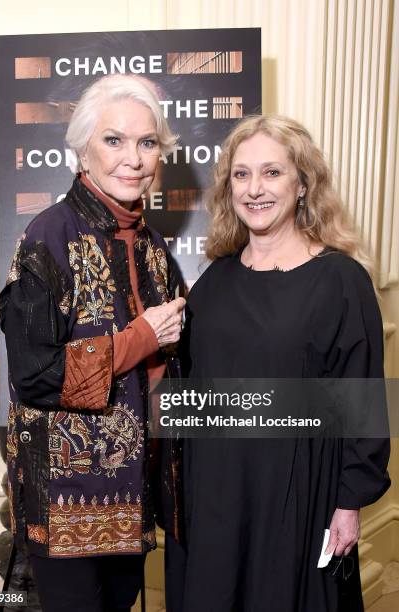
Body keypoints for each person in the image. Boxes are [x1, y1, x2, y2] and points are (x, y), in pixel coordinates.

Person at [177, 115, 390, 611]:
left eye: (272, 173)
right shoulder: (215, 281)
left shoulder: (340, 281)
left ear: (302, 184)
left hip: (299, 493)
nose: (255, 189)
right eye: (241, 174)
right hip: (216, 493)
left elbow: (364, 402)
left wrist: (348, 502)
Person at [0, 74, 186, 612]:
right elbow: (34, 375)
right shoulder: (46, 238)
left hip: (135, 496)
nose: (134, 157)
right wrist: (139, 338)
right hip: (64, 504)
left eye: (147, 142)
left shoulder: (151, 245)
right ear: (83, 150)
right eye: (114, 140)